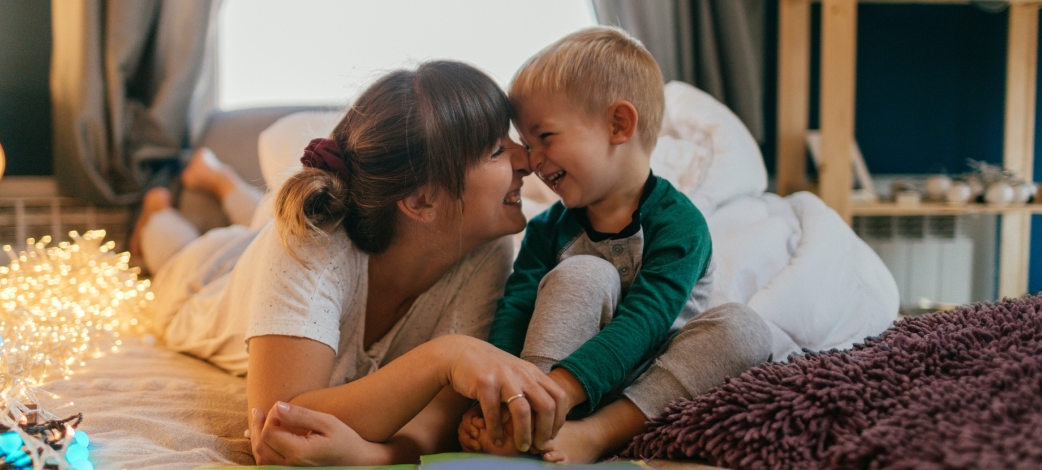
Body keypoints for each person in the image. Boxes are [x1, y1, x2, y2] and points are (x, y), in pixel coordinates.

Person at [130, 60, 569, 466]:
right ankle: (158, 207)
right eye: (496, 150)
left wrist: (376, 457)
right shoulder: (310, 239)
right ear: (421, 200)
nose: (525, 159)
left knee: (262, 221)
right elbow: (281, 419)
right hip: (206, 278)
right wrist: (444, 356)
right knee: (174, 249)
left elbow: (439, 418)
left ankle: (223, 182)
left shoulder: (487, 250)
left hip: (282, 250)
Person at [457, 27, 773, 463]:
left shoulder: (680, 224)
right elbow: (516, 308)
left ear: (618, 125)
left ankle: (596, 434)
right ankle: (526, 417)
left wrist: (565, 390)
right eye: (527, 145)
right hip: (548, 384)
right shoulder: (548, 228)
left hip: (648, 383)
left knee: (745, 328)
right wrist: (494, 395)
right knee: (586, 272)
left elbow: (646, 320)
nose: (532, 160)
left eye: (545, 137)